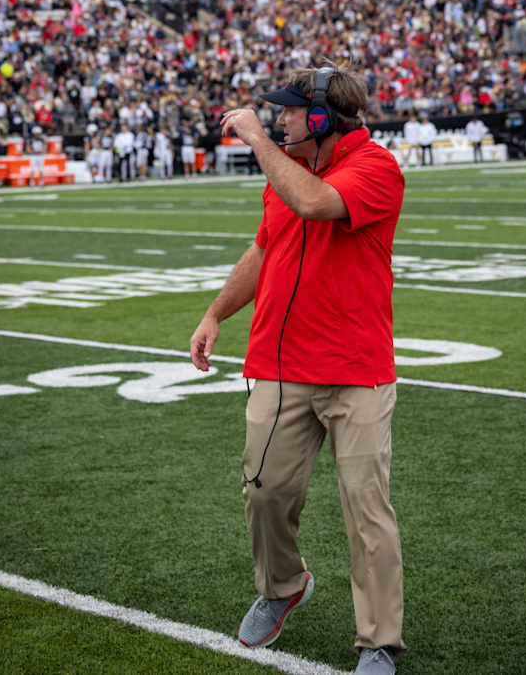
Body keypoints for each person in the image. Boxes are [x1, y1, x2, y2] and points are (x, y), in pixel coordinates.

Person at [190, 63, 406, 675]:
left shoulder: (376, 168)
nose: (278, 119)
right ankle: (283, 587)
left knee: (366, 510)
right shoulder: (285, 175)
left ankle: (379, 642)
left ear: (319, 118)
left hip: (355, 370)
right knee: (264, 492)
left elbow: (314, 204)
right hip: (281, 366)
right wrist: (215, 314)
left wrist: (258, 140)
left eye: (288, 112)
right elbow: (266, 247)